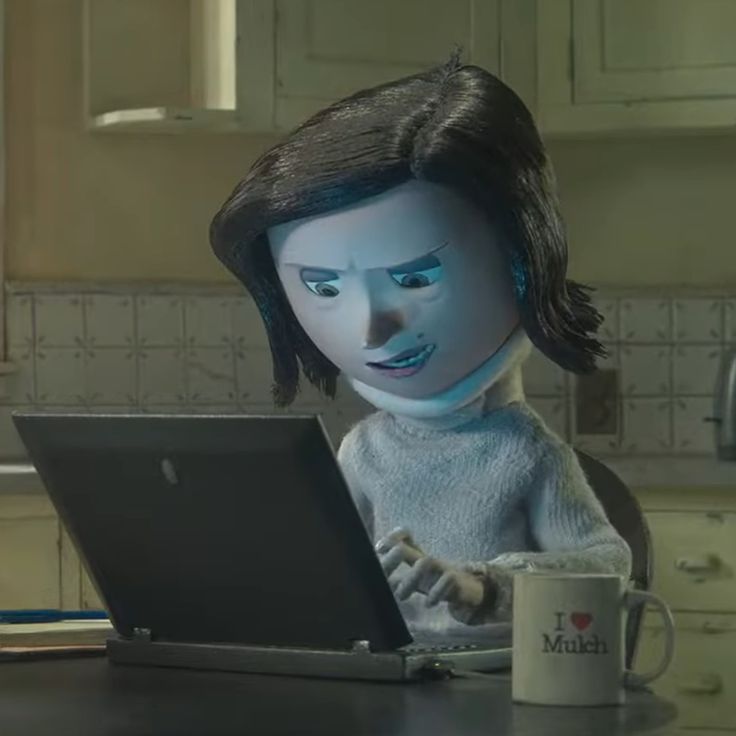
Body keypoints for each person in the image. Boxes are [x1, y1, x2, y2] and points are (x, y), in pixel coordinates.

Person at [209, 53, 632, 641]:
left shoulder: (525, 453)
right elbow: (330, 575)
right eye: (323, 287)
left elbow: (608, 564)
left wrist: (486, 586)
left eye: (414, 279)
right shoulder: (364, 452)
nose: (372, 331)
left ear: (521, 262)